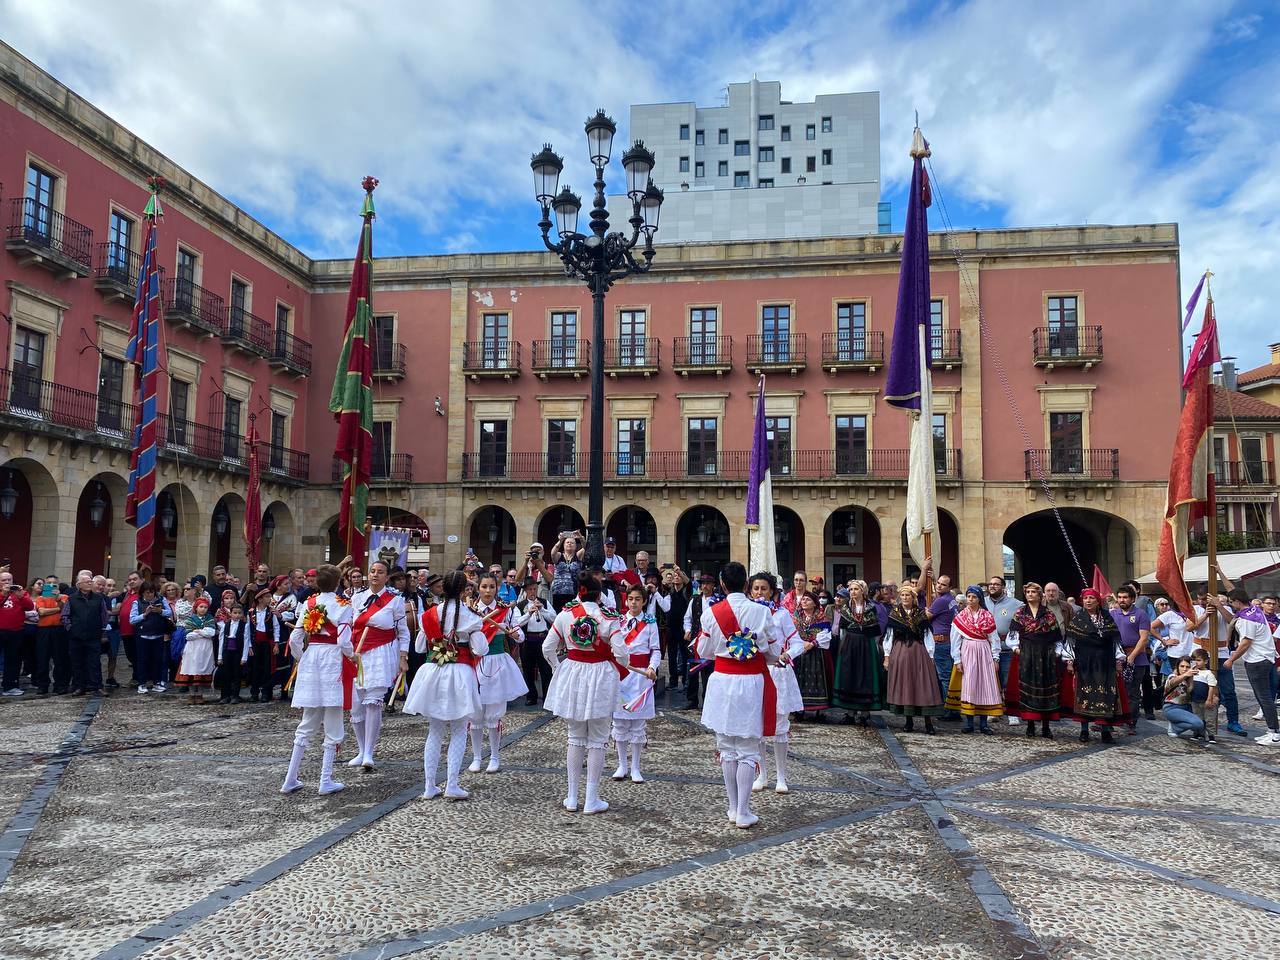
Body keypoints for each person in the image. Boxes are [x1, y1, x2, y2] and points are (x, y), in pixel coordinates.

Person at [697, 561, 780, 830]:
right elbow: (774, 651)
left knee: (727, 746)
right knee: (746, 747)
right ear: (746, 585)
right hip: (750, 681)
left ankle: (733, 807)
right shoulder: (761, 612)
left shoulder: (710, 613)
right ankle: (743, 810)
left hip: (722, 681)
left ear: (722, 584)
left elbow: (704, 651)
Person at [542, 571, 628, 814]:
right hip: (600, 675)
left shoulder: (564, 615)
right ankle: (591, 798)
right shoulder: (609, 618)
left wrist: (558, 668)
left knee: (575, 736)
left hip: (573, 672)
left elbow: (547, 647)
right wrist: (614, 662)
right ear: (599, 593)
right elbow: (622, 654)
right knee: (598, 738)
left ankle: (571, 797)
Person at [403, 569, 488, 800]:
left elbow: (420, 648)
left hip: (434, 672)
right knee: (459, 729)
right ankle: (452, 784)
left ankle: (430, 786)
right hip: (459, 673)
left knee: (435, 730)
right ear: (463, 590)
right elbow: (481, 649)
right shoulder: (471, 616)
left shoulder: (430, 614)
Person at [280, 564, 356, 796]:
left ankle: (290, 778)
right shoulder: (344, 606)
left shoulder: (309, 604)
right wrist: (354, 657)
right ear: (338, 582)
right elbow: (344, 641)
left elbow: (295, 638)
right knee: (333, 720)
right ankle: (325, 779)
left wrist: (301, 659)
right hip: (332, 659)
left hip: (312, 659)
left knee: (307, 721)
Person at [348, 560, 410, 770]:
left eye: (380, 572)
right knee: (356, 705)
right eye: (372, 571)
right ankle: (360, 749)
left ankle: (369, 752)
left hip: (381, 653)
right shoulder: (356, 599)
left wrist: (403, 657)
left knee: (373, 702)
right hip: (358, 653)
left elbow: (403, 631)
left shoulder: (395, 601)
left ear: (386, 577)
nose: (375, 575)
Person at [467, 572, 527, 774]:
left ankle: (494, 755)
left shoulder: (506, 610)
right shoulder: (470, 609)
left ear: (497, 588)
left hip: (497, 663)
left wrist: (514, 632)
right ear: (478, 588)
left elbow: (519, 636)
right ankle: (476, 757)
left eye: (491, 587)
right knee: (474, 714)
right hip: (474, 663)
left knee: (493, 714)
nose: (487, 591)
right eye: (484, 586)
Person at [750, 572, 803, 794]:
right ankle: (762, 774)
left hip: (778, 673)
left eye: (764, 588)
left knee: (780, 725)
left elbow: (798, 643)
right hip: (755, 674)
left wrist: (785, 656)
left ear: (772, 591)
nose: (759, 592)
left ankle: (782, 776)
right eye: (756, 588)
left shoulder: (781, 614)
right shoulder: (748, 614)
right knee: (757, 726)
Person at [611, 584, 661, 783]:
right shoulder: (619, 621)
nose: (633, 602)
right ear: (626, 600)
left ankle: (636, 767)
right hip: (621, 675)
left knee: (638, 724)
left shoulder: (650, 622)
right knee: (620, 722)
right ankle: (622, 765)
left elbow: (656, 649)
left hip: (641, 678)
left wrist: (652, 668)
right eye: (630, 599)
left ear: (644, 601)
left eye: (638, 599)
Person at [1063, 588, 1127, 743]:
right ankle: (1084, 731)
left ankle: (1105, 731)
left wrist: (1119, 660)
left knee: (1105, 695)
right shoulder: (1078, 619)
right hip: (1085, 663)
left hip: (1105, 663)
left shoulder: (1107, 618)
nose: (1088, 601)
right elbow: (1070, 643)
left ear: (1098, 601)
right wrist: (1070, 661)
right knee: (1085, 695)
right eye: (1086, 598)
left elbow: (1115, 642)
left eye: (1092, 598)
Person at [1005, 583, 1064, 739]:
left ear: (1039, 595)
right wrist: (1017, 650)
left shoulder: (1049, 614)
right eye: (1028, 592)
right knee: (1028, 690)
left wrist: (1057, 653)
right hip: (1027, 655)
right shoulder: (1020, 613)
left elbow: (1057, 637)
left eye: (1033, 592)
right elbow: (1012, 635)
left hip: (1046, 657)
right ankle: (1030, 725)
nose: (1030, 594)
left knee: (1045, 690)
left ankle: (1046, 726)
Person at [1221, 588, 1280, 746]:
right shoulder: (1254, 609)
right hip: (1265, 658)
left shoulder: (1247, 619)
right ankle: (1272, 731)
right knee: (1265, 697)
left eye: (1232, 603)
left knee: (1264, 697)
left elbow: (1246, 642)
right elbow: (1232, 589)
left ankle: (1274, 733)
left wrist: (1231, 659)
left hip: (1257, 661)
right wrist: (1219, 572)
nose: (1231, 606)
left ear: (1238, 602)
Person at [882, 584, 944, 733]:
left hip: (919, 652)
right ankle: (908, 721)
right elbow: (889, 637)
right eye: (902, 595)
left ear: (913, 597)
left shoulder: (921, 614)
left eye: (908, 595)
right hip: (900, 652)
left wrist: (931, 655)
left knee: (923, 684)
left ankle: (928, 722)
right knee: (906, 685)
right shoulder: (894, 614)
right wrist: (887, 656)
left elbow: (928, 635)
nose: (905, 598)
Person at [946, 586, 1003, 733]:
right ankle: (969, 722)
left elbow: (994, 638)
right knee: (969, 684)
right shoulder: (960, 617)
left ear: (979, 599)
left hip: (984, 651)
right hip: (968, 651)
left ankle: (984, 723)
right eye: (969, 597)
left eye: (974, 597)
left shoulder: (987, 616)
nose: (970, 600)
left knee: (984, 684)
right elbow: (955, 640)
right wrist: (957, 660)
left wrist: (995, 657)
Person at [831, 579, 885, 723]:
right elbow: (842, 631)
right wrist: (844, 647)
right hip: (849, 645)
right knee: (850, 676)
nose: (852, 592)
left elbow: (874, 631)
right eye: (851, 590)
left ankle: (865, 713)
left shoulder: (871, 608)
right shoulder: (845, 609)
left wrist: (873, 649)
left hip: (866, 645)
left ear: (863, 591)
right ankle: (850, 712)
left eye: (855, 589)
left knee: (866, 677)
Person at [1111, 585, 1152, 731]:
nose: (1122, 600)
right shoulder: (1113, 614)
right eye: (1120, 597)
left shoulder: (1141, 614)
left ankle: (1131, 721)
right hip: (1117, 656)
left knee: (1133, 692)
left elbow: (1144, 638)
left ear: (1132, 599)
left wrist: (1132, 656)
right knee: (1116, 689)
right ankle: (1115, 718)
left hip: (1137, 658)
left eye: (1125, 597)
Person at [984, 575, 1022, 725]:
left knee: (1008, 681)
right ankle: (994, 711)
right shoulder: (983, 602)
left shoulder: (1016, 604)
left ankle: (1012, 712)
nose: (992, 586)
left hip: (1006, 649)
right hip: (987, 649)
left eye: (996, 584)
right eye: (990, 584)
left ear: (1003, 587)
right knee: (992, 682)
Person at [61, 575, 107, 697]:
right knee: (77, 662)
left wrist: (102, 630)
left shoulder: (98, 598)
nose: (89, 583)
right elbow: (65, 616)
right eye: (86, 582)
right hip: (76, 636)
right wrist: (70, 628)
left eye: (90, 581)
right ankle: (79, 686)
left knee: (95, 662)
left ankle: (97, 686)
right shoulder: (72, 598)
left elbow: (103, 615)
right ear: (79, 584)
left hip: (93, 635)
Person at [791, 590, 833, 718]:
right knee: (799, 679)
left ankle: (819, 710)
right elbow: (790, 632)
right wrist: (801, 643)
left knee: (817, 679)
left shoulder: (821, 616)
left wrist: (813, 643)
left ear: (814, 603)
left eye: (807, 600)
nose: (804, 601)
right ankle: (799, 709)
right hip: (800, 651)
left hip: (817, 653)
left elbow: (826, 635)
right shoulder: (797, 616)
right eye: (803, 599)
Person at [514, 578, 553, 705]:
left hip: (542, 639)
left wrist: (542, 610)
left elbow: (555, 618)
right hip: (528, 640)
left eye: (534, 589)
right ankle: (531, 696)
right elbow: (516, 623)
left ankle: (548, 696)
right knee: (528, 669)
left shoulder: (545, 603)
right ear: (525, 591)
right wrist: (528, 614)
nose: (533, 592)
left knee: (545, 669)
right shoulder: (520, 606)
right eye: (530, 589)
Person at [130, 582, 174, 694]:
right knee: (142, 660)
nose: (150, 595)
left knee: (158, 660)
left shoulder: (161, 600)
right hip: (143, 635)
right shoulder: (137, 602)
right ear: (142, 593)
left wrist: (160, 611)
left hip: (158, 635)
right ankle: (142, 683)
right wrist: (145, 614)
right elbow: (132, 619)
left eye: (152, 592)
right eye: (147, 593)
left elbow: (170, 613)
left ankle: (157, 682)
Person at [682, 574, 718, 709]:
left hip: (711, 641)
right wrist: (687, 630)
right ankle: (692, 699)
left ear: (713, 585)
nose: (705, 586)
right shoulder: (695, 600)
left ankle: (708, 700)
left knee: (709, 671)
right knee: (693, 670)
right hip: (695, 641)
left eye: (708, 584)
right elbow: (687, 618)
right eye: (703, 584)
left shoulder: (718, 600)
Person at [249, 587, 287, 702]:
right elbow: (248, 631)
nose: (269, 599)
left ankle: (266, 692)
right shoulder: (251, 613)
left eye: (270, 596)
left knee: (267, 668)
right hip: (255, 643)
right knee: (255, 668)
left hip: (267, 643)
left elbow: (276, 628)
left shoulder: (271, 612)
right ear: (260, 599)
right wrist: (249, 646)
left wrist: (276, 643)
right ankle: (254, 692)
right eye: (267, 597)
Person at [176, 598, 217, 704]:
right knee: (192, 668)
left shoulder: (209, 618)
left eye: (205, 607)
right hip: (192, 648)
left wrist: (198, 631)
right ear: (196, 608)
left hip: (205, 648)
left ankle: (199, 694)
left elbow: (211, 632)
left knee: (202, 669)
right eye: (201, 607)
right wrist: (203, 632)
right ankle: (191, 694)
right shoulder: (191, 619)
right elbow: (189, 635)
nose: (203, 609)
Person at [928, 574, 958, 715]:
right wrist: (933, 580)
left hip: (940, 642)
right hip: (947, 641)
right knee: (948, 676)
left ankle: (949, 710)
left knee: (944, 677)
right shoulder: (951, 599)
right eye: (938, 583)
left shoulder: (941, 601)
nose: (939, 586)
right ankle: (952, 708)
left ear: (949, 587)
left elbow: (926, 616)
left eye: (943, 584)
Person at [33, 578, 68, 697]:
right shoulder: (40, 598)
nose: (51, 585)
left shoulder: (63, 597)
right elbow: (41, 612)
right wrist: (58, 609)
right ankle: (42, 685)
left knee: (59, 658)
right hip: (44, 629)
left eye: (55, 583)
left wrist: (58, 601)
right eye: (48, 583)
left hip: (59, 630)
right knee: (43, 658)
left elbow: (65, 608)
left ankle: (59, 685)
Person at [1161, 656, 1206, 741]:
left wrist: (1191, 677)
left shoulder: (1190, 678)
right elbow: (1173, 682)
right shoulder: (1172, 676)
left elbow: (1190, 690)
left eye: (1187, 667)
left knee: (1202, 724)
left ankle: (1176, 725)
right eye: (1182, 666)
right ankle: (1174, 728)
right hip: (1171, 708)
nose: (1184, 669)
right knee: (1198, 724)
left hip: (1187, 708)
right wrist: (1186, 674)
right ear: (1177, 667)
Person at [215, 604, 251, 704]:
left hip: (238, 652)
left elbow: (246, 641)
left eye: (239, 613)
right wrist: (220, 656)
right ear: (230, 614)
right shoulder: (225, 625)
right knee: (226, 674)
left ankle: (235, 695)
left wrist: (244, 657)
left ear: (242, 614)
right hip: (227, 651)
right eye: (234, 613)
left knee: (237, 674)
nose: (237, 615)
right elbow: (221, 640)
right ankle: (225, 696)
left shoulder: (245, 626)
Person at [547, 532, 585, 612]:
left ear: (575, 546)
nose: (569, 544)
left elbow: (586, 548)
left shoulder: (578, 556)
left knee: (573, 614)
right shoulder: (559, 556)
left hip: (574, 591)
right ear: (564, 546)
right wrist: (560, 540)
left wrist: (581, 538)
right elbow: (552, 553)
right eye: (567, 542)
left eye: (572, 543)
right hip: (558, 591)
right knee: (558, 613)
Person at [1189, 648, 1219, 744]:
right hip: (1195, 700)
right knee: (1197, 717)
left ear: (1205, 661)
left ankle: (1211, 735)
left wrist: (1209, 699)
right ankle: (1198, 733)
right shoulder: (1192, 672)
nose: (1196, 663)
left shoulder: (1208, 673)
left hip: (1205, 699)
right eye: (1194, 660)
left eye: (1198, 660)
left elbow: (1211, 687)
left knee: (1209, 718)